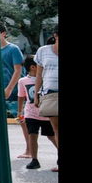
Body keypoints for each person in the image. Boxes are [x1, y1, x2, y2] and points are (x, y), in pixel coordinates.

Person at [16, 55, 56, 170]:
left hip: (46, 113)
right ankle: (34, 159)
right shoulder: (23, 81)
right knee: (32, 135)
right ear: (33, 67)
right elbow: (21, 96)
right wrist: (20, 112)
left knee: (52, 136)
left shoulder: (46, 78)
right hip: (31, 113)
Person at [34, 22, 58, 170]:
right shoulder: (43, 51)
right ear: (55, 36)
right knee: (56, 130)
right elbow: (38, 75)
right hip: (51, 94)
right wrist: (36, 95)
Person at [0, 26, 25, 121]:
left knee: (22, 120)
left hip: (14, 91)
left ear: (3, 34)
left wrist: (9, 89)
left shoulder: (13, 49)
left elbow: (18, 70)